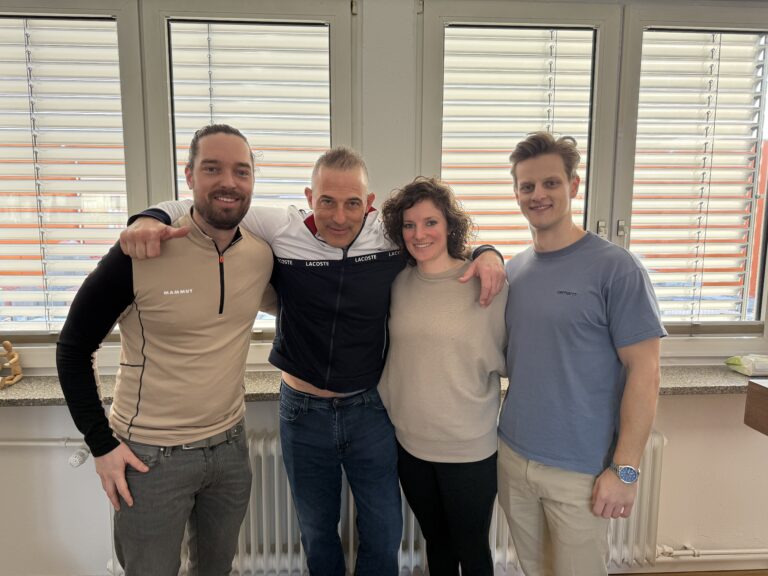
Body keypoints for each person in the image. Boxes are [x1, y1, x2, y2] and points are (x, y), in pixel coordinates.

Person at [117, 148, 506, 576]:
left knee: (384, 531)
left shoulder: (389, 234)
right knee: (318, 532)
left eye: (352, 203)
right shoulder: (281, 227)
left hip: (368, 409)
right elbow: (203, 208)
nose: (339, 216)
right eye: (327, 201)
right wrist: (150, 217)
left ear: (369, 203)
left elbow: (441, 240)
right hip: (303, 413)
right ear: (309, 197)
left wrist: (488, 252)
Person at [56, 124, 274, 576]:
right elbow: (72, 349)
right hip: (150, 458)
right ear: (189, 175)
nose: (229, 182)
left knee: (216, 569)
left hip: (230, 449)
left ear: (253, 180)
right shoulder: (139, 253)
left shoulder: (261, 256)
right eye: (212, 168)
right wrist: (101, 445)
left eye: (241, 171)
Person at [497, 132, 667, 576]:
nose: (538, 195)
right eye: (527, 186)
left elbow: (646, 372)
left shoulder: (617, 268)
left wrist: (625, 471)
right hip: (513, 457)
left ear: (574, 185)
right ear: (516, 193)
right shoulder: (515, 270)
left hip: (581, 472)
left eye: (551, 183)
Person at [377, 177, 507, 576]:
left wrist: (489, 252)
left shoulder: (486, 282)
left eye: (430, 222)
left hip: (468, 451)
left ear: (450, 225)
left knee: (472, 549)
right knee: (436, 544)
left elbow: (514, 359)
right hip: (410, 446)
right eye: (409, 225)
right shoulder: (397, 282)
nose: (419, 234)